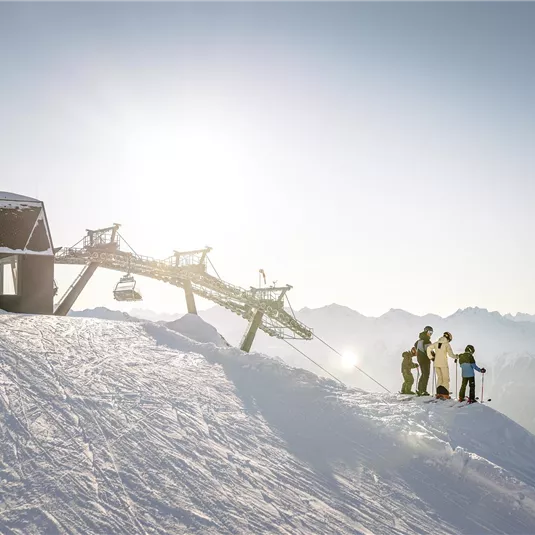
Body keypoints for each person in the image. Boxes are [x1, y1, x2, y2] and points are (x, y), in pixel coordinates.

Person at [427, 331, 457, 398]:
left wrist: (431, 357)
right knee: (446, 378)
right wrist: (456, 357)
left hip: (436, 363)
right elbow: (450, 354)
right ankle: (445, 394)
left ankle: (439, 393)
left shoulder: (436, 343)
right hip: (443, 364)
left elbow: (428, 348)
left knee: (440, 378)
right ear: (448, 338)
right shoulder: (447, 344)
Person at [415, 325, 434, 396]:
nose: (430, 334)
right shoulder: (427, 340)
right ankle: (423, 390)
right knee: (426, 374)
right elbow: (428, 351)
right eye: (429, 332)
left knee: (423, 374)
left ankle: (420, 389)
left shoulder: (419, 340)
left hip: (420, 359)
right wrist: (433, 358)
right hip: (425, 359)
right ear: (426, 331)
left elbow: (416, 345)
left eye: (431, 332)